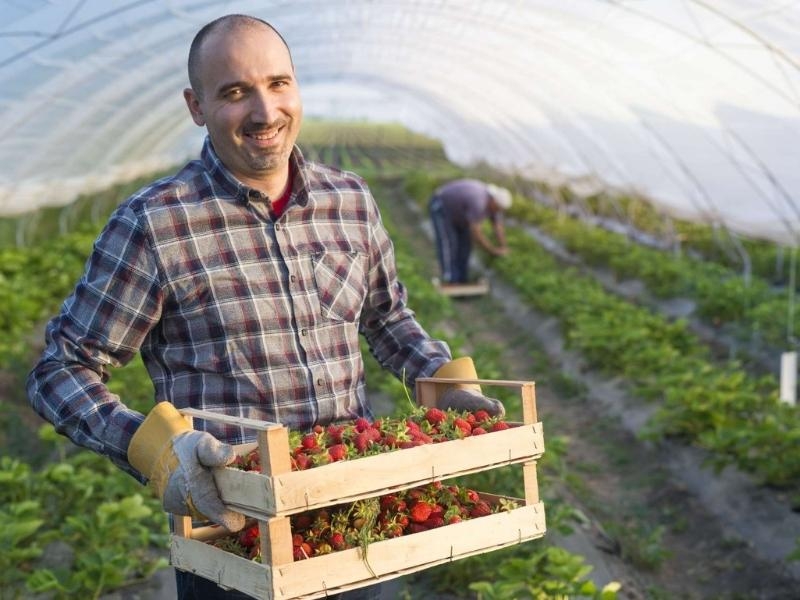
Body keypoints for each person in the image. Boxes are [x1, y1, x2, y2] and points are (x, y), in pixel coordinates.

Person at [26, 14, 505, 600]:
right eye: (234, 92)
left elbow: (386, 317)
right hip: (235, 540)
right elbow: (62, 368)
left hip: (353, 521)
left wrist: (441, 379)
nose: (264, 111)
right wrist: (153, 450)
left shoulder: (348, 201)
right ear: (195, 106)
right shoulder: (156, 224)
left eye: (278, 83)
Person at [429, 178, 512, 284]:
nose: (497, 211)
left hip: (460, 214)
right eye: (497, 208)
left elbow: (498, 226)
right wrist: (492, 250)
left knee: (465, 246)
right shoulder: (478, 201)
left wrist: (503, 246)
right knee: (449, 244)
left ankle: (462, 278)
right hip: (442, 207)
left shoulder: (494, 206)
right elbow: (476, 233)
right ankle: (450, 279)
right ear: (493, 201)